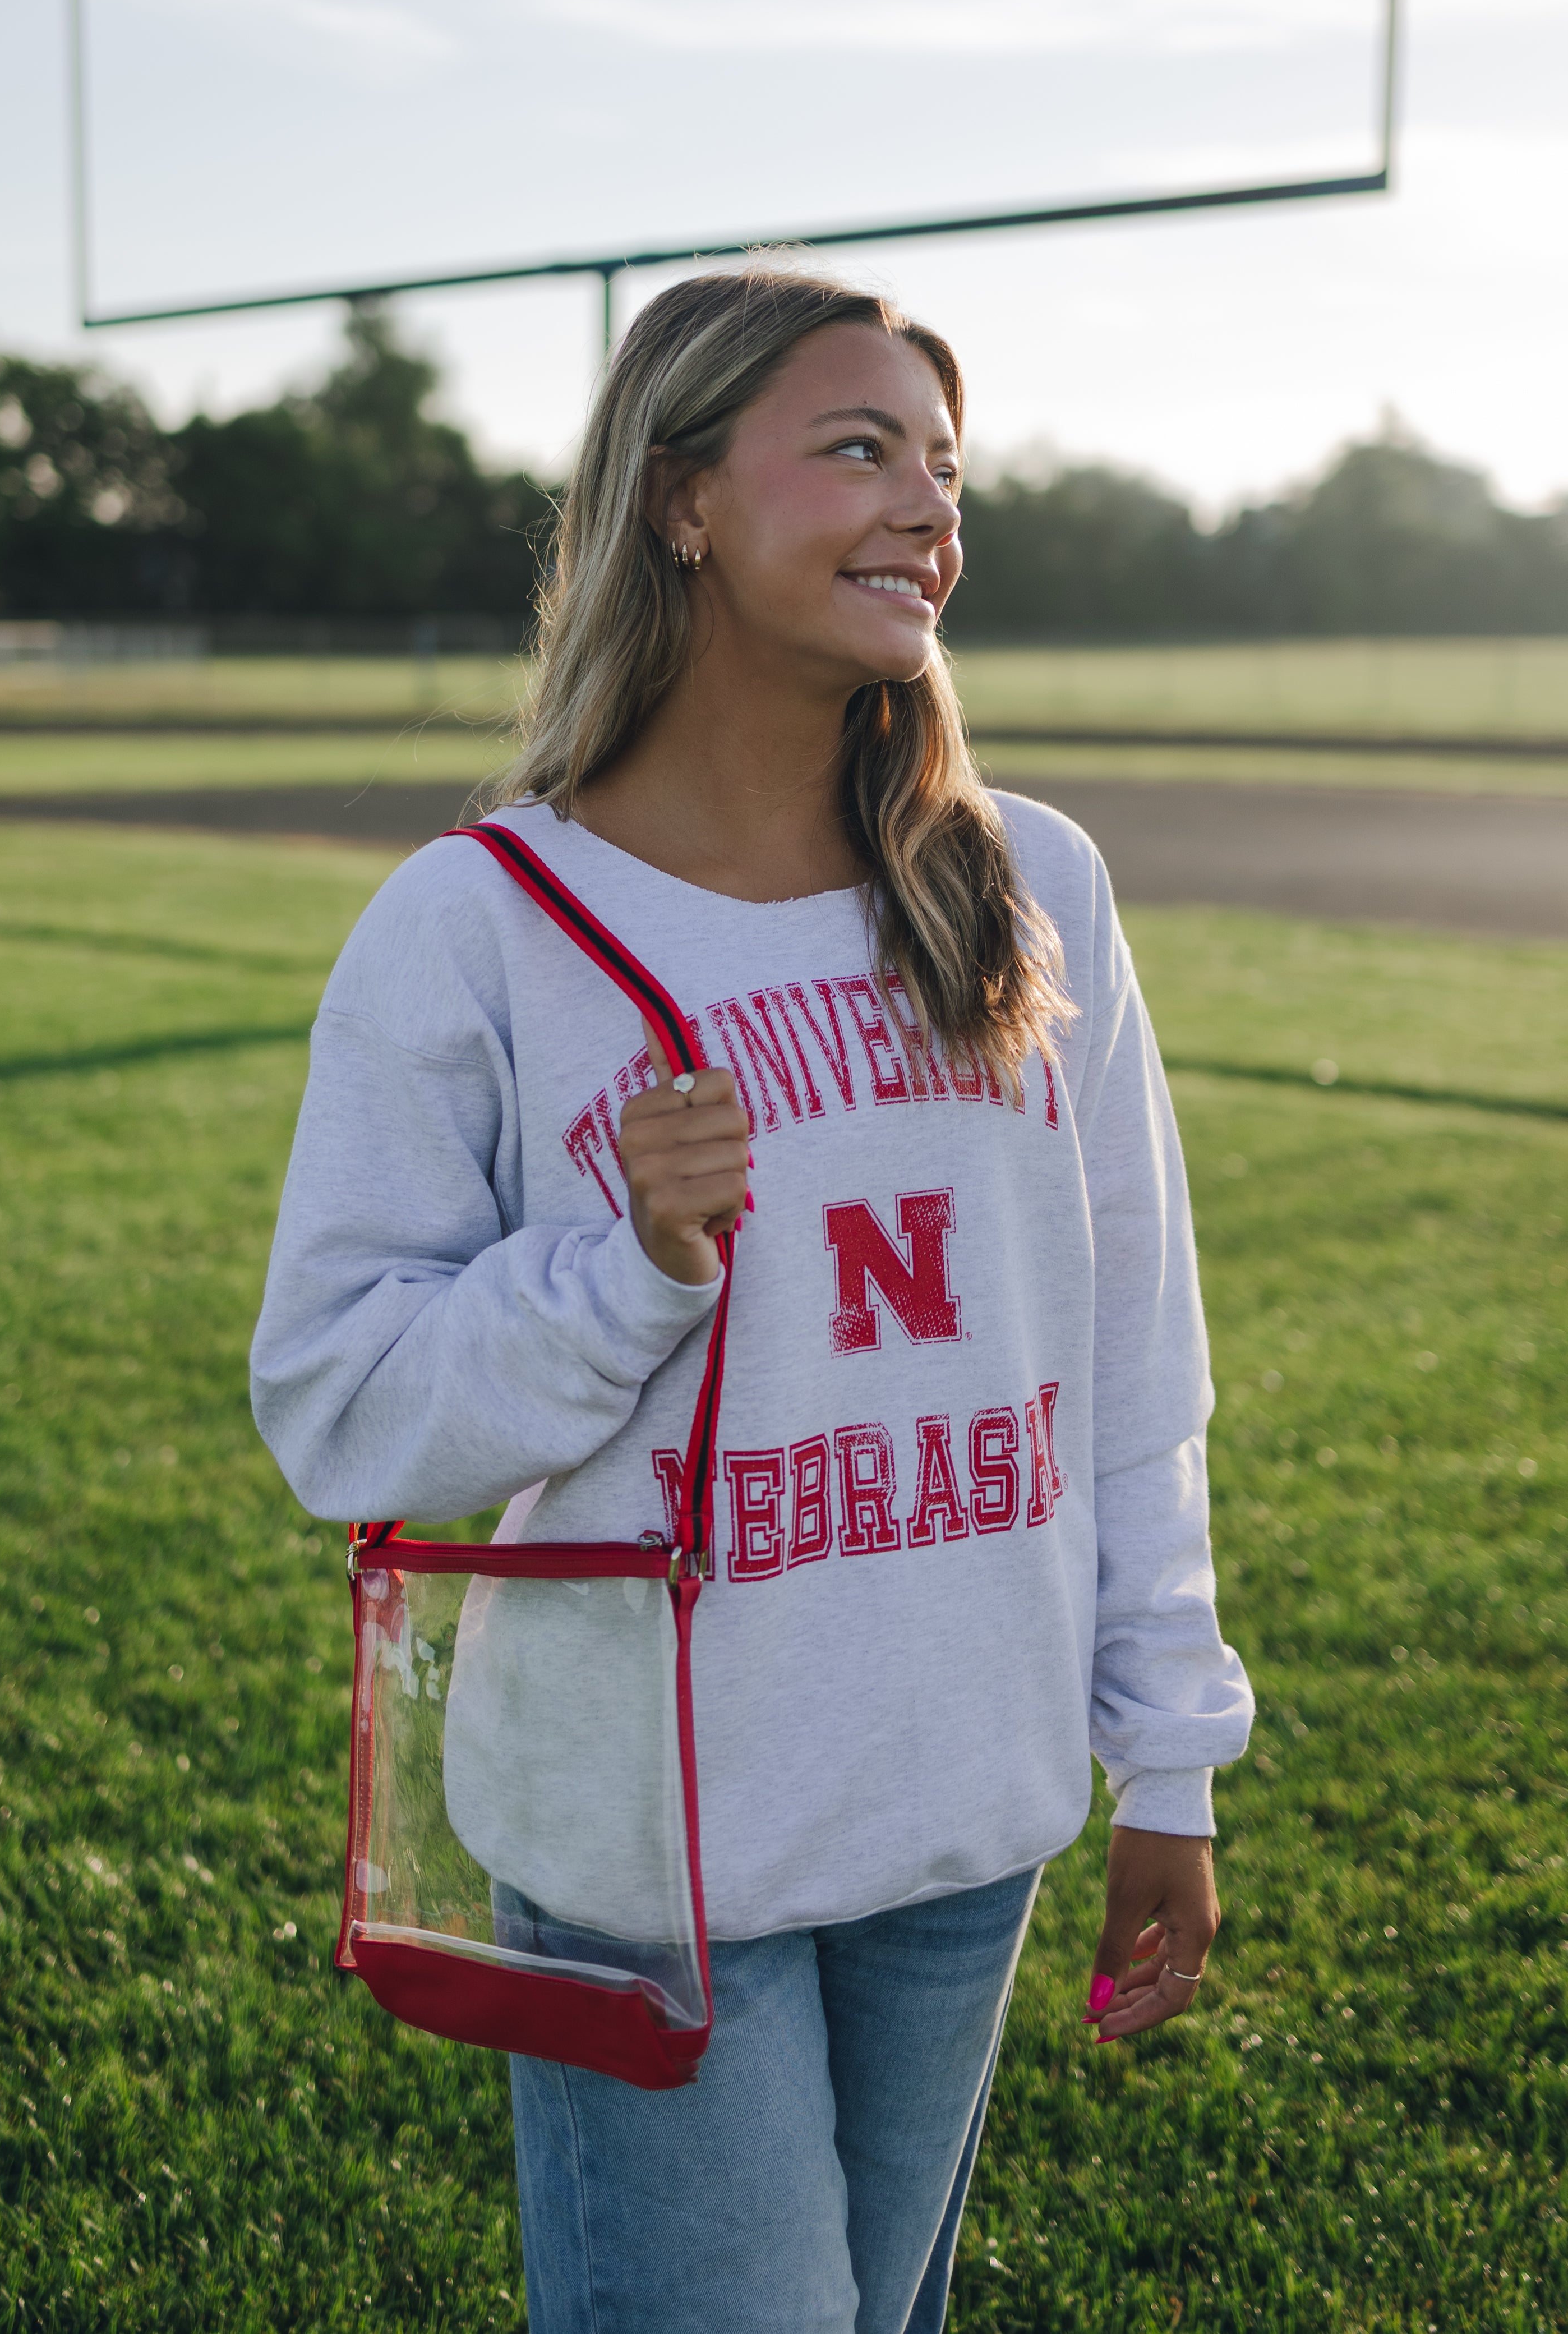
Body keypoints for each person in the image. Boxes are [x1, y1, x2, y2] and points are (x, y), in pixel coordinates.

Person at [250, 265, 1255, 2334]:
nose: (928, 515)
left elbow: (1133, 1354)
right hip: (654, 1841)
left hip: (965, 1799)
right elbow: (339, 1401)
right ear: (683, 499)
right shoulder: (482, 923)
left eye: (946, 469)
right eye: (860, 450)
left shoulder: (1027, 885)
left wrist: (1170, 1756)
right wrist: (622, 1271)